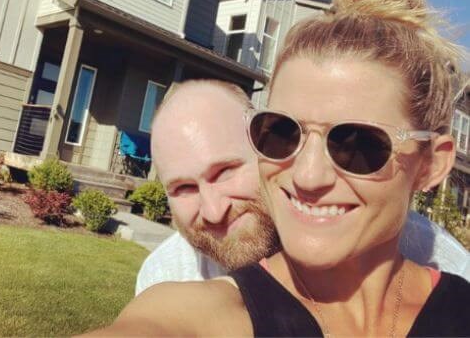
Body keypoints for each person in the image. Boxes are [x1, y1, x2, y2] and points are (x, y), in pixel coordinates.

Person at [89, 0, 470, 336]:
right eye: (283, 133)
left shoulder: (454, 283)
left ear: (430, 165)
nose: (307, 175)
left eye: (358, 144)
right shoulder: (195, 307)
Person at [136, 80, 470, 295]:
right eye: (182, 189)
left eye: (225, 171)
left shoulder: (441, 266)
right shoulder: (166, 274)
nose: (213, 211)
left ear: (273, 150)